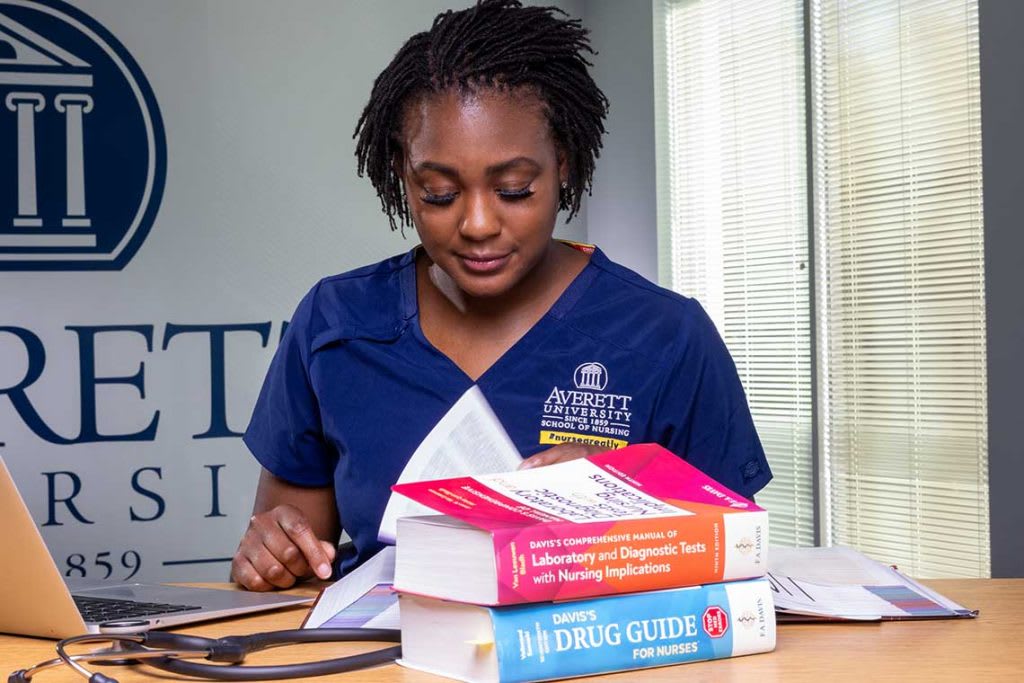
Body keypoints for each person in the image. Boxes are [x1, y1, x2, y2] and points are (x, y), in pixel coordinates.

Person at [231, 0, 771, 592]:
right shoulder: (336, 323)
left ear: (563, 162)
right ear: (401, 175)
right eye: (439, 193)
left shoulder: (666, 335)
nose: (478, 223)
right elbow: (295, 556)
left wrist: (629, 499)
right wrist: (270, 552)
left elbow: (737, 555)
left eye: (514, 189)